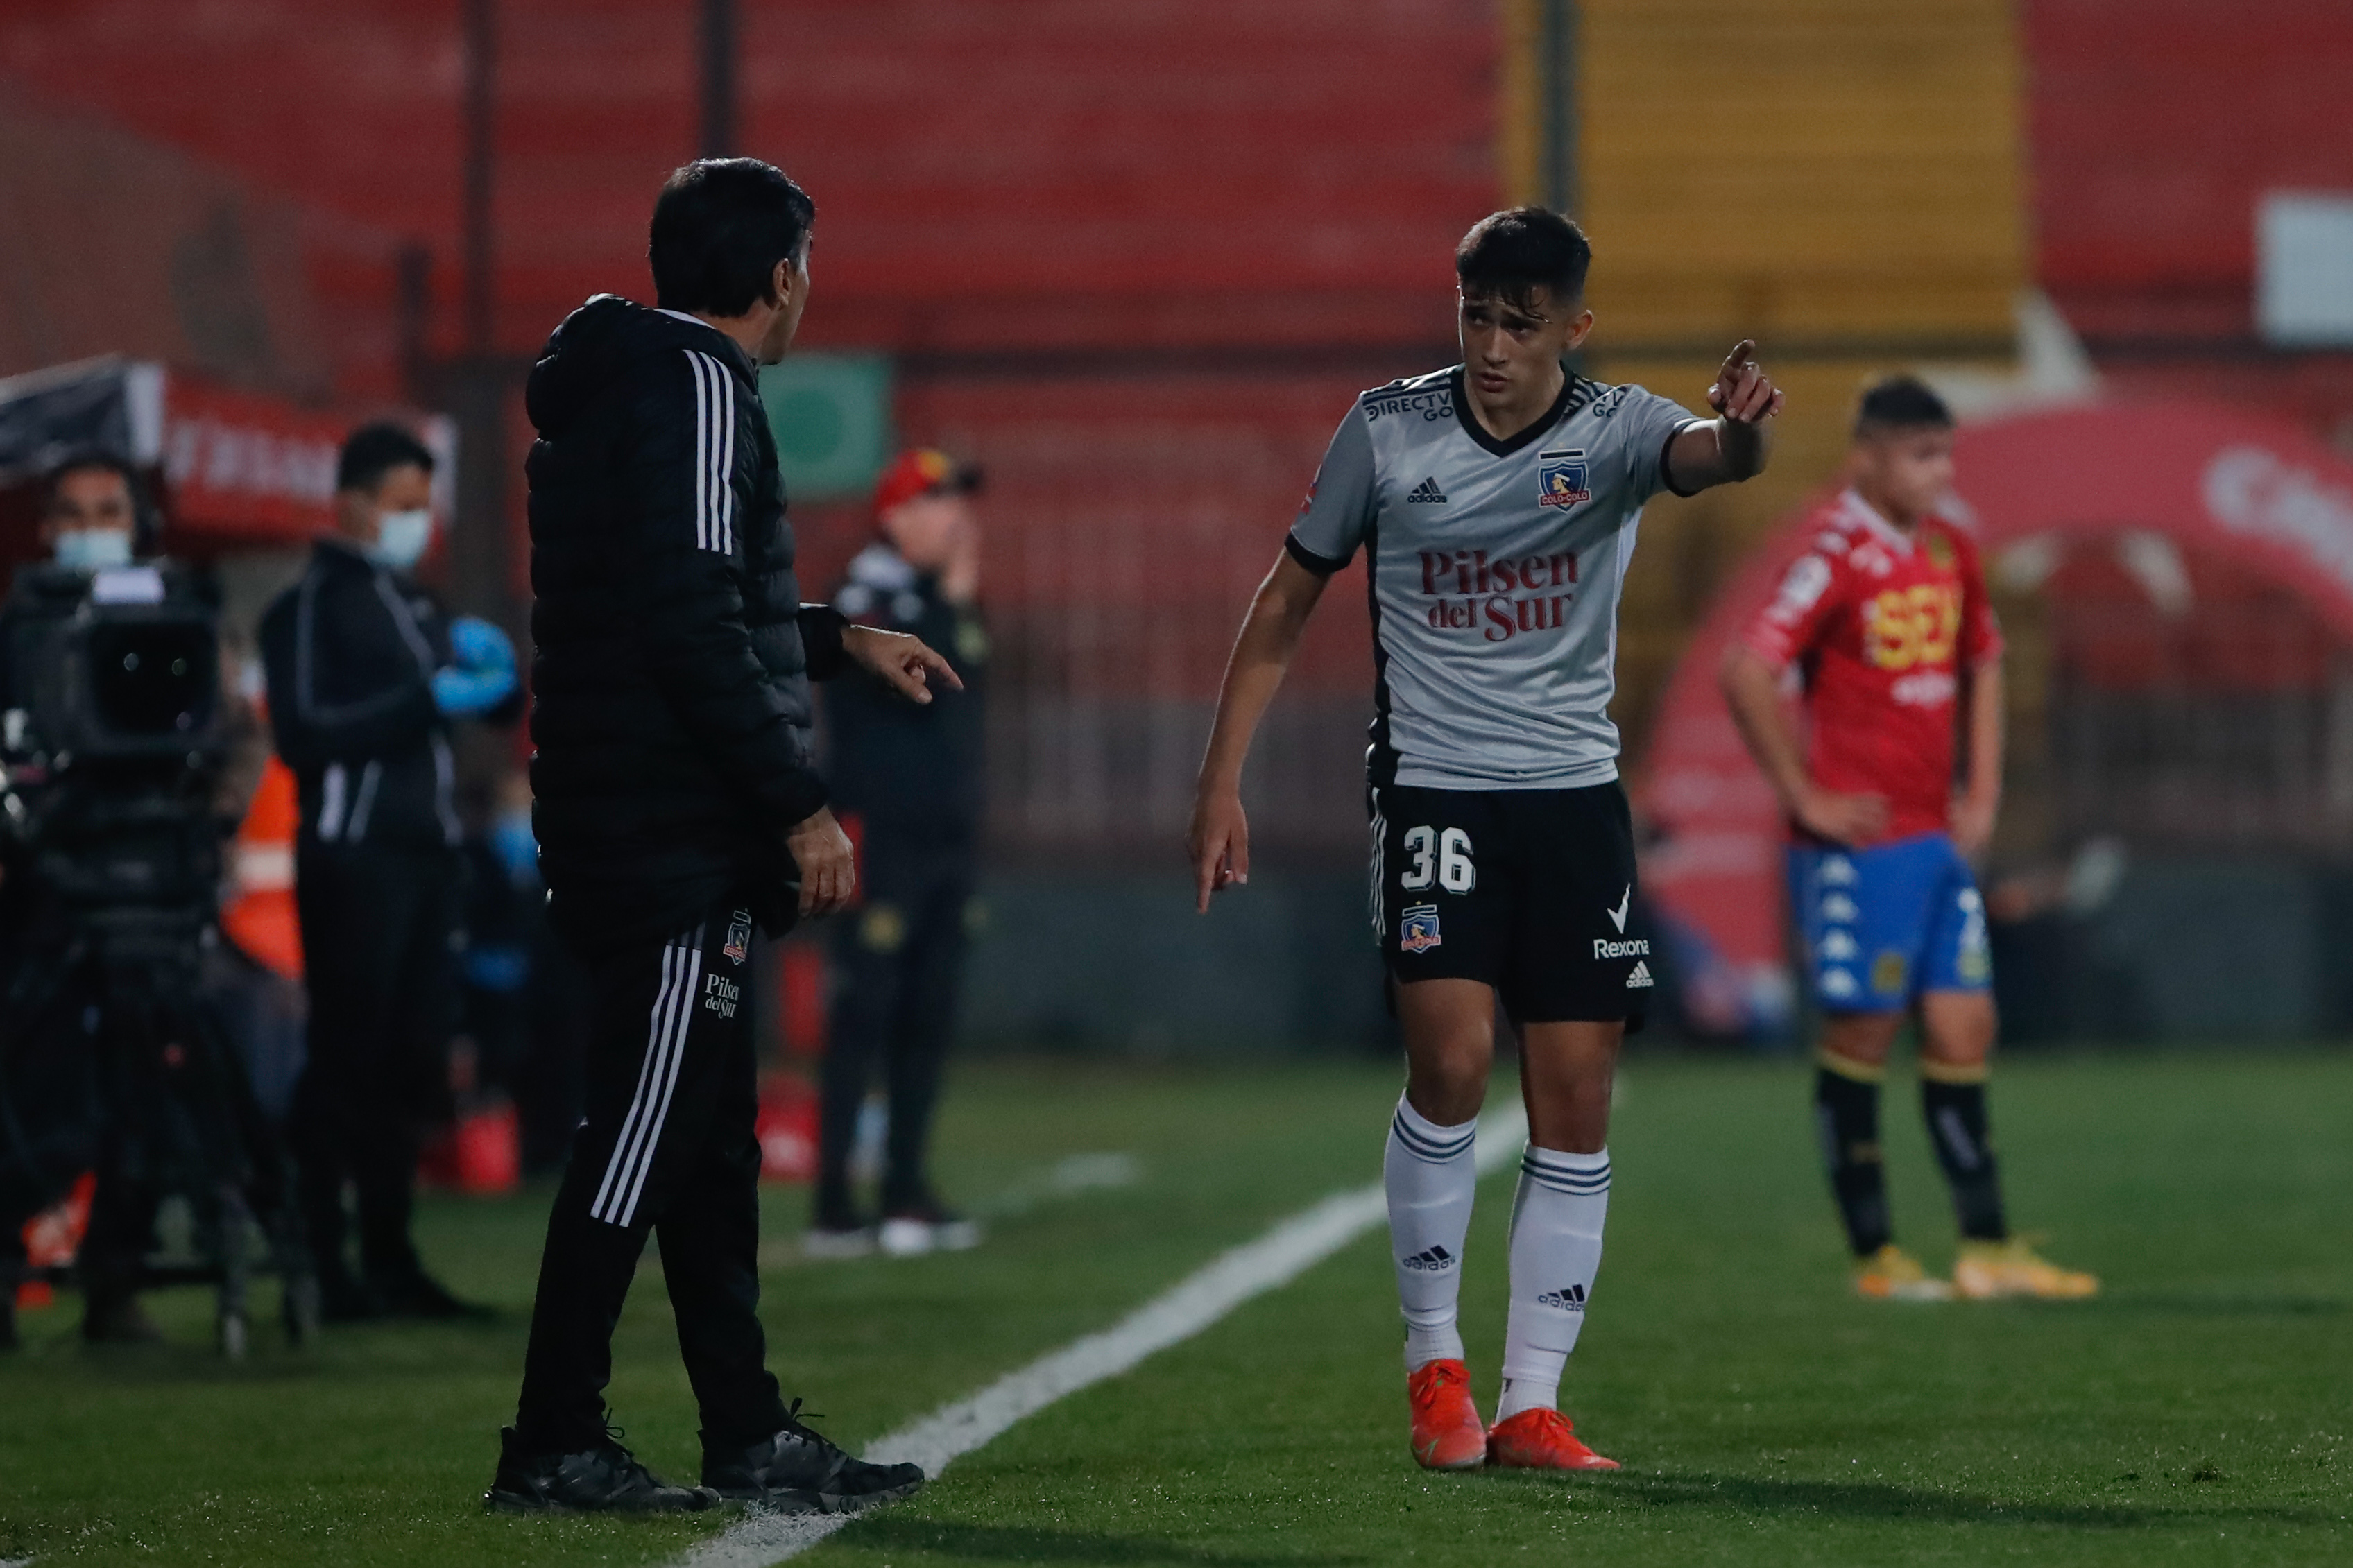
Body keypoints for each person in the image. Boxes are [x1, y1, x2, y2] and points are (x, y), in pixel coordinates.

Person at [1188, 207, 1783, 1475]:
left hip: (1573, 802)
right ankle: (1433, 1369)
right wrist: (1219, 780)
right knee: (1451, 1063)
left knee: (1574, 1098)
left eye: (1521, 325)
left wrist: (1738, 429)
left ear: (1574, 327)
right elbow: (1289, 595)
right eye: (1476, 318)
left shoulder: (1615, 429)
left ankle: (1530, 1404)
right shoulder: (1386, 430)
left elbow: (1708, 459)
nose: (1494, 347)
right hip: (1436, 795)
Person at [490, 157, 955, 1516]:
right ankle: (552, 1436)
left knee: (706, 1139)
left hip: (630, 803)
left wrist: (833, 640)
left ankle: (745, 1425)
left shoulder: (626, 390)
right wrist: (794, 800)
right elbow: (691, 614)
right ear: (779, 274)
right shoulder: (698, 385)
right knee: (643, 1131)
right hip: (666, 822)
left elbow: (666, 604)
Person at [1718, 375, 2098, 1303]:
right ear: (1869, 457)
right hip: (1861, 848)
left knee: (1967, 1026)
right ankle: (1877, 1256)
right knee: (1862, 1032)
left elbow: (1984, 660)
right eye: (1922, 454)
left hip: (1935, 841)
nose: (1939, 472)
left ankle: (1988, 1244)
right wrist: (1803, 793)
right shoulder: (1834, 553)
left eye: (1945, 453)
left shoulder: (1950, 546)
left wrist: (1985, 789)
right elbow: (1745, 669)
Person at [259, 423, 517, 1323]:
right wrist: (425, 698)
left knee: (411, 1064)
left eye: (423, 504)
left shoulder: (421, 604)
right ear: (353, 506)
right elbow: (305, 733)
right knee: (349, 1060)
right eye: (403, 504)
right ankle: (324, 1259)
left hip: (425, 859)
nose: (418, 521)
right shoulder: (305, 609)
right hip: (353, 855)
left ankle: (389, 1254)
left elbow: (486, 707)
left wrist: (503, 680)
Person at [808, 447, 988, 1259]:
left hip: (944, 842)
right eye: (936, 499)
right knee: (863, 1014)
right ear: (894, 515)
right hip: (881, 838)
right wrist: (947, 605)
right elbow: (916, 693)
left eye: (957, 499)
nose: (955, 515)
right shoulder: (868, 600)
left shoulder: (941, 598)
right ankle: (835, 1201)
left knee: (927, 1013)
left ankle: (905, 1186)